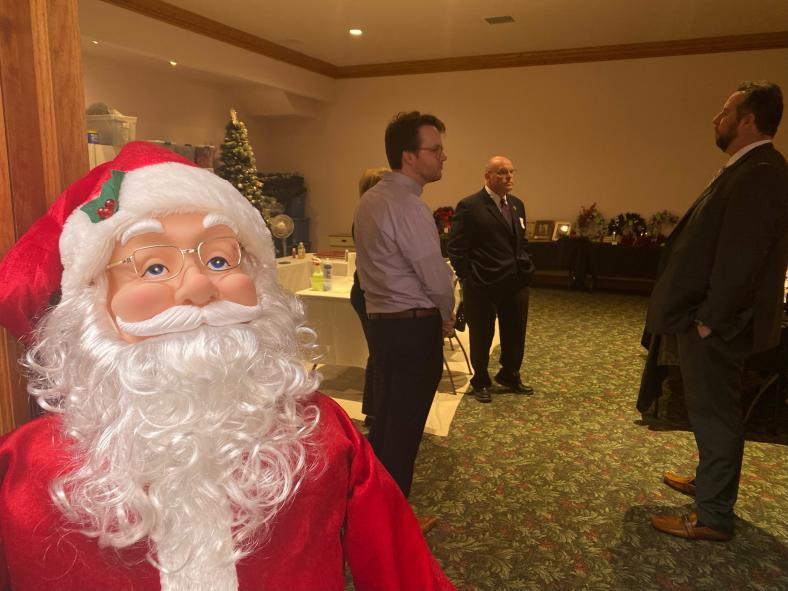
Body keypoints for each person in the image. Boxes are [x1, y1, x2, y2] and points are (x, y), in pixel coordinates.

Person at [0, 141, 456, 590]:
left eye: (219, 259)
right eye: (154, 267)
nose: (199, 287)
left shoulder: (321, 431)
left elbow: (401, 566)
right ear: (95, 303)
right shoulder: (23, 466)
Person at [646, 81, 788, 541]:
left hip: (717, 323)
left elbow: (743, 257)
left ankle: (711, 517)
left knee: (717, 412)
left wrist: (711, 319)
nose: (716, 118)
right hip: (710, 317)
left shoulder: (761, 172)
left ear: (747, 120)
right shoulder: (748, 167)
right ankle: (710, 483)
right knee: (708, 407)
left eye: (725, 111)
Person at [353, 111, 455, 504]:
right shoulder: (409, 207)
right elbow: (434, 276)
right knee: (404, 431)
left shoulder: (370, 200)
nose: (443, 157)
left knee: (387, 425)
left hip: (383, 325)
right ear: (409, 156)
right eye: (436, 149)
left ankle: (371, 512)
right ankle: (389, 525)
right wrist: (447, 312)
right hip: (413, 328)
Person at [448, 156, 535, 403]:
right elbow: (456, 247)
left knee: (515, 333)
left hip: (516, 282)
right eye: (502, 172)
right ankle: (481, 380)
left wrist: (527, 267)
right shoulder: (470, 205)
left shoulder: (517, 204)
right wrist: (468, 277)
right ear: (487, 176)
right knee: (482, 335)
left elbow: (522, 240)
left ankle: (510, 374)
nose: (509, 177)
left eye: (511, 171)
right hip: (482, 284)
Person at [350, 167, 388, 427]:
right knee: (379, 353)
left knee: (381, 352)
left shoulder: (378, 217)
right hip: (369, 294)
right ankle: (375, 411)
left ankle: (376, 409)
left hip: (371, 292)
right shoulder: (369, 219)